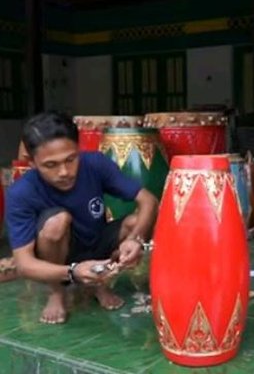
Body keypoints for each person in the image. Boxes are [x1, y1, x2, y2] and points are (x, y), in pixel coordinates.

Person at [5, 111, 158, 324]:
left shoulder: (95, 163)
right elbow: (24, 264)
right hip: (61, 257)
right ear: (32, 163)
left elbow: (148, 200)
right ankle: (56, 292)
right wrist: (73, 272)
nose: (64, 172)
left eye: (71, 159)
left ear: (79, 149)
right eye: (51, 165)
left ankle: (99, 281)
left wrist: (136, 239)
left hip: (97, 242)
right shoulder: (21, 193)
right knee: (56, 222)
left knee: (136, 223)